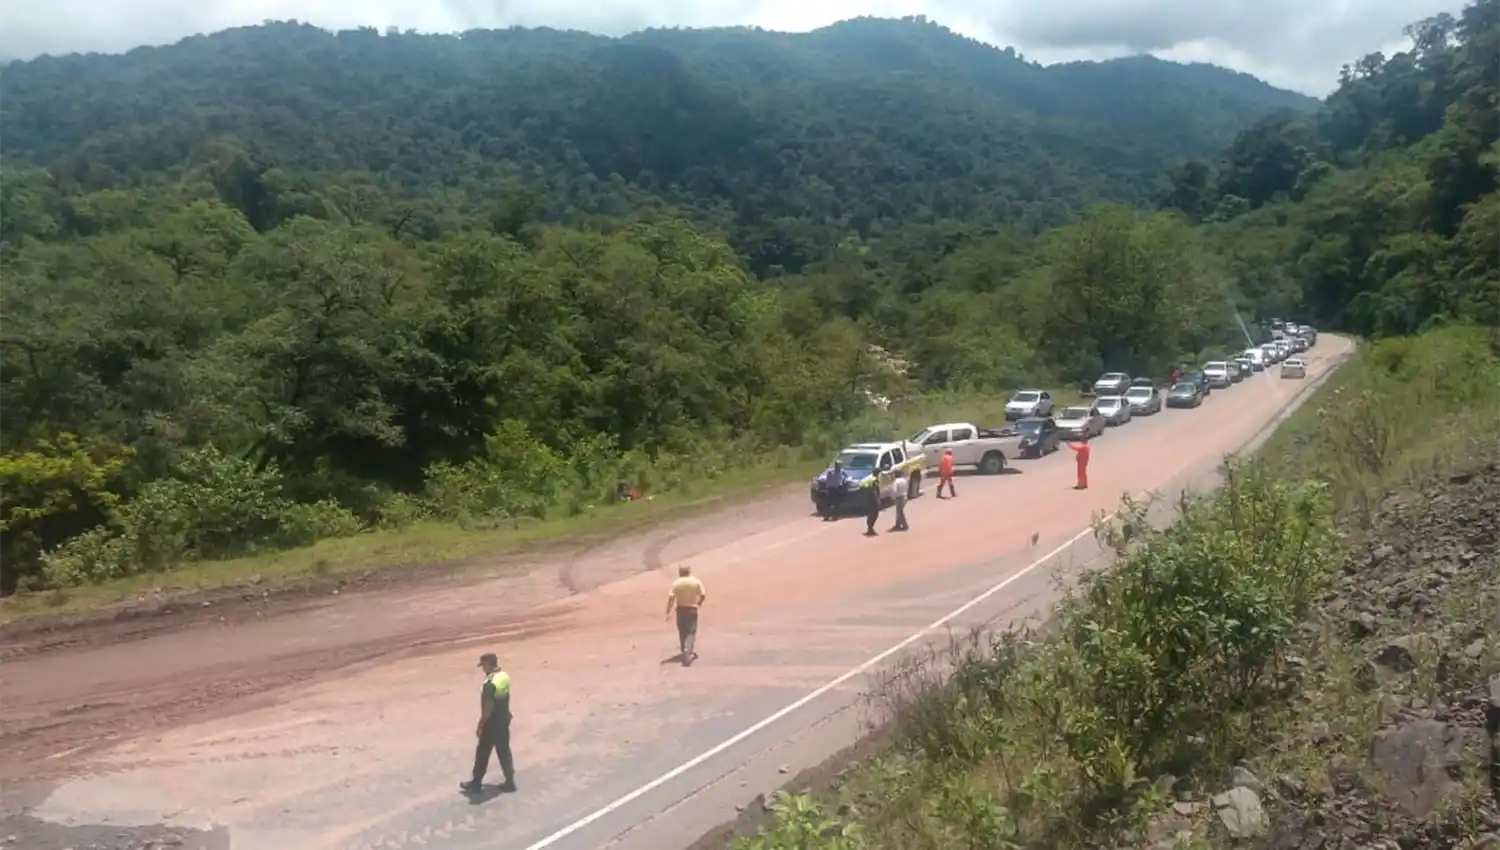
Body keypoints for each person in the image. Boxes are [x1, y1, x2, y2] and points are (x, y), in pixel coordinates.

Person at [460, 652, 515, 794]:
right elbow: (506, 698)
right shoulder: (504, 676)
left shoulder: (489, 684)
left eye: (483, 665)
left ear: (488, 664)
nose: (482, 668)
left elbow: (487, 709)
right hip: (503, 720)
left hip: (491, 724)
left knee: (483, 753)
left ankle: (476, 783)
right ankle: (510, 782)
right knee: (504, 752)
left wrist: (480, 725)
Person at [665, 565, 706, 662]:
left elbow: (671, 598)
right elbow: (703, 595)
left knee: (682, 630)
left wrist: (668, 610)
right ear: (689, 571)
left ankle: (684, 648)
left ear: (680, 572)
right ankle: (689, 650)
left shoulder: (676, 583)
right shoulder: (696, 581)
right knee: (691, 630)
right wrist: (699, 603)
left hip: (681, 609)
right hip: (692, 608)